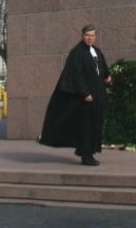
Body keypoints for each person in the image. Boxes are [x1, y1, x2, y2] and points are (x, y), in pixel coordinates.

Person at [39, 25, 112, 166]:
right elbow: (76, 75)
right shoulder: (77, 53)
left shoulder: (96, 51)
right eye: (87, 35)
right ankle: (86, 155)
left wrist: (107, 76)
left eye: (92, 35)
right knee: (86, 126)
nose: (90, 38)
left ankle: (89, 151)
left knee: (95, 125)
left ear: (95, 37)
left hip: (98, 95)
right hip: (87, 98)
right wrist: (85, 93)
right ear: (82, 36)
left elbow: (102, 67)